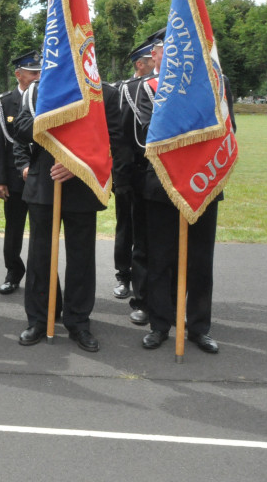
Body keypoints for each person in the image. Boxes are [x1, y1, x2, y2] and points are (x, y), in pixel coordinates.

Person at [137, 57, 235, 355]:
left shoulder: (219, 83)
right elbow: (145, 132)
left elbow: (229, 129)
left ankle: (198, 328)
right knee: (160, 261)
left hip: (203, 182)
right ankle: (160, 325)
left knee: (201, 262)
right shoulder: (150, 87)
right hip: (163, 184)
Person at [13, 81, 106, 352]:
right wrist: (54, 127)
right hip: (45, 182)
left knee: (81, 259)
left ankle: (78, 322)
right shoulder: (36, 90)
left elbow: (109, 133)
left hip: (82, 181)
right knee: (40, 258)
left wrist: (77, 161)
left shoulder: (96, 89)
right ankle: (40, 319)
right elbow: (20, 129)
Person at [118, 32, 164, 326]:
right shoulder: (133, 90)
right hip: (144, 175)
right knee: (144, 243)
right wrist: (121, 178)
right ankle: (144, 300)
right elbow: (124, 138)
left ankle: (176, 302)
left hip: (186, 177)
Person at [110, 39, 158, 302]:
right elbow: (120, 137)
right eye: (151, 61)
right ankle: (122, 275)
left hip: (152, 174)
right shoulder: (124, 90)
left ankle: (147, 284)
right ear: (141, 64)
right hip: (129, 172)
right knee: (125, 227)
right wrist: (120, 177)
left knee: (146, 232)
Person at [0, 50, 41, 295]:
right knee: (14, 228)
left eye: (39, 73)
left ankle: (37, 275)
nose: (36, 78)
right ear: (18, 74)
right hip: (14, 177)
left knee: (40, 230)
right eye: (32, 73)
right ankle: (13, 272)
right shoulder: (3, 102)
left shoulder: (45, 97)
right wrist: (0, 180)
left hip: (42, 174)